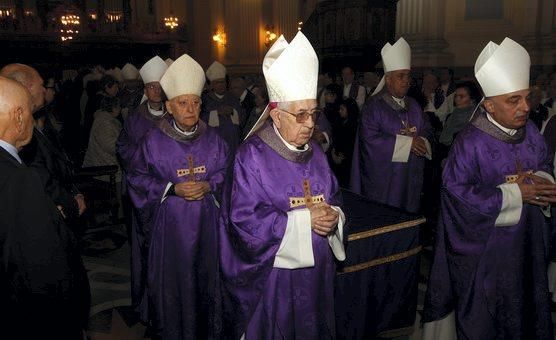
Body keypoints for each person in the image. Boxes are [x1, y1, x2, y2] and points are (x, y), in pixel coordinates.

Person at [423, 37, 556, 340]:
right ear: (490, 105)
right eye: (514, 100)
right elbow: (457, 199)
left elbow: (544, 164)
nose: (525, 107)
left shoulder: (531, 131)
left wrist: (544, 184)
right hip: (488, 258)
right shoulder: (469, 144)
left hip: (528, 248)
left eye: (527, 97)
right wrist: (514, 194)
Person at [220, 31, 346, 339]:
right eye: (300, 115)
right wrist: (305, 220)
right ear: (276, 115)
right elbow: (242, 222)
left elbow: (334, 196)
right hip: (274, 278)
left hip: (317, 273)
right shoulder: (250, 157)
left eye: (314, 114)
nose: (310, 124)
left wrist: (335, 217)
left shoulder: (316, 153)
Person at [128, 54, 230, 339]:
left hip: (208, 229)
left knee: (206, 281)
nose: (191, 109)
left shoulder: (214, 139)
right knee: (175, 284)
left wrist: (210, 185)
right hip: (171, 232)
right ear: (170, 107)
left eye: (196, 102)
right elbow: (135, 178)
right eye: (183, 103)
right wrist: (171, 188)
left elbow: (229, 174)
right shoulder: (152, 141)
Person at [0, 75, 90, 339]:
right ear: (18, 115)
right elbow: (44, 271)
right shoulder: (21, 178)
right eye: (28, 112)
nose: (31, 119)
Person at [350, 37, 432, 213]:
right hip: (386, 179)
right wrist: (408, 144)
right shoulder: (374, 106)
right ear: (388, 80)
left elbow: (426, 128)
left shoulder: (414, 105)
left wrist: (423, 140)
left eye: (408, 76)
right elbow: (369, 141)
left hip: (410, 175)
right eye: (400, 76)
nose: (406, 81)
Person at [2, 64, 87, 231]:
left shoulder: (40, 120)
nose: (45, 90)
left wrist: (74, 191)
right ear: (27, 88)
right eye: (42, 85)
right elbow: (40, 177)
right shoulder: (20, 133)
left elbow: (58, 162)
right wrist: (71, 202)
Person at [116, 55, 169, 321]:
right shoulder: (135, 119)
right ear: (145, 89)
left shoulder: (176, 115)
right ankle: (148, 305)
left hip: (171, 195)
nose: (156, 91)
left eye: (160, 86)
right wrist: (147, 155)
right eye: (151, 87)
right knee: (146, 250)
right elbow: (123, 149)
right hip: (145, 193)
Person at [201, 61, 244, 153]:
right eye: (217, 83)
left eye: (223, 82)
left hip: (233, 142)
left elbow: (242, 117)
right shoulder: (205, 100)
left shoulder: (233, 98)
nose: (221, 85)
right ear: (212, 85)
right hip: (214, 141)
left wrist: (232, 111)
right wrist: (216, 113)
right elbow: (201, 119)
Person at [438, 81, 482, 148]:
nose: (457, 99)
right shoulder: (453, 115)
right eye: (456, 96)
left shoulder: (476, 118)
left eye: (461, 96)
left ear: (472, 99)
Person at [330, 98, 359, 187]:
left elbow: (352, 145)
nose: (340, 111)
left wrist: (342, 157)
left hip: (347, 162)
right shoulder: (339, 122)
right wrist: (333, 153)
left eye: (342, 109)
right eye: (340, 109)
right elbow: (334, 139)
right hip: (336, 157)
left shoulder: (355, 126)